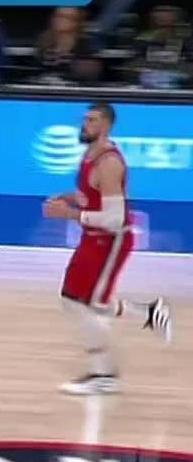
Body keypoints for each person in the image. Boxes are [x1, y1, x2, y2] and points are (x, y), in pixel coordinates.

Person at [41, 102, 171, 394]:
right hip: (93, 238)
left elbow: (114, 219)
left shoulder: (109, 163)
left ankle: (104, 376)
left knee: (80, 302)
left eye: (92, 120)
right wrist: (67, 197)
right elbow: (89, 195)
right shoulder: (89, 155)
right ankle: (149, 312)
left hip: (110, 241)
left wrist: (68, 214)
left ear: (106, 126)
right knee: (84, 301)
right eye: (84, 119)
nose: (84, 124)